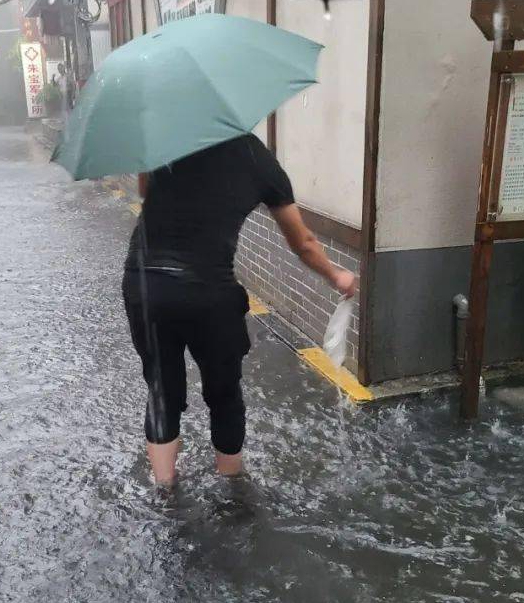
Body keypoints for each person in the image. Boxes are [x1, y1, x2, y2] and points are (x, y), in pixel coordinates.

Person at [123, 133, 357, 487]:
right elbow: (303, 243)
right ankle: (230, 489)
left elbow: (146, 192)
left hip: (145, 285)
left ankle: (165, 490)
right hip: (209, 293)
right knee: (224, 393)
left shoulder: (163, 138)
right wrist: (336, 275)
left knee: (162, 390)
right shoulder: (254, 154)